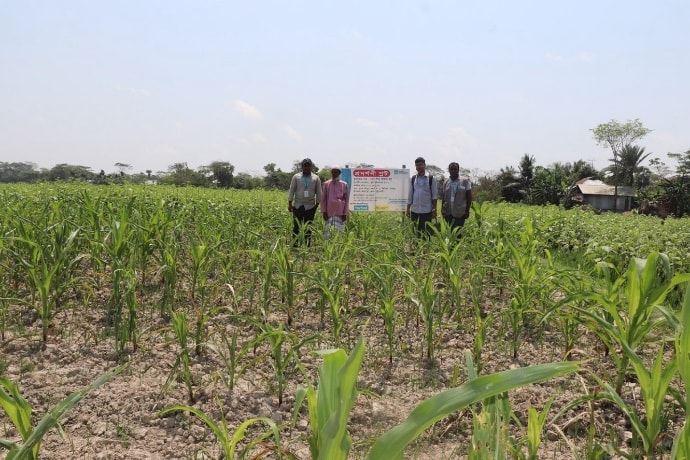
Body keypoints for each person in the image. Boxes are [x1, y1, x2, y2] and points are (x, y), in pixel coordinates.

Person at [288, 158, 322, 246]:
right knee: (296, 226)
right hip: (298, 205)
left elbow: (319, 192)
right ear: (302, 166)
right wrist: (290, 203)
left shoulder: (316, 178)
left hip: (310, 206)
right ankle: (295, 244)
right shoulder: (296, 177)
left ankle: (307, 245)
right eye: (305, 165)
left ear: (311, 167)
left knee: (308, 227)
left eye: (308, 165)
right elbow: (292, 190)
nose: (307, 167)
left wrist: (316, 205)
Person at [405, 157, 438, 238]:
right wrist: (408, 209)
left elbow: (434, 196)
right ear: (415, 167)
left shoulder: (431, 178)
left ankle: (426, 250)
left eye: (421, 165)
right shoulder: (413, 179)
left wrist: (434, 209)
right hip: (415, 211)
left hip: (427, 211)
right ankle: (416, 249)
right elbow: (410, 194)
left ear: (424, 165)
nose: (419, 167)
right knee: (415, 232)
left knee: (426, 234)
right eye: (417, 165)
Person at [441, 162, 472, 233]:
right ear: (449, 170)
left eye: (455, 169)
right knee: (449, 232)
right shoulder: (446, 182)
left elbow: (469, 197)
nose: (453, 171)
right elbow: (443, 197)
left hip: (460, 213)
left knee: (458, 233)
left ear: (458, 170)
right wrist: (442, 209)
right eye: (451, 169)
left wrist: (467, 211)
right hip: (448, 212)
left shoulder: (465, 181)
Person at [321, 165, 349, 238]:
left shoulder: (344, 184)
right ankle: (328, 246)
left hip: (340, 212)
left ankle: (338, 247)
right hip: (329, 212)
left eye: (336, 172)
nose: (334, 173)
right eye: (333, 172)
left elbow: (346, 200)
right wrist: (324, 211)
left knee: (339, 232)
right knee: (328, 231)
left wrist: (345, 213)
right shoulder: (327, 184)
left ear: (339, 173)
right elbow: (323, 199)